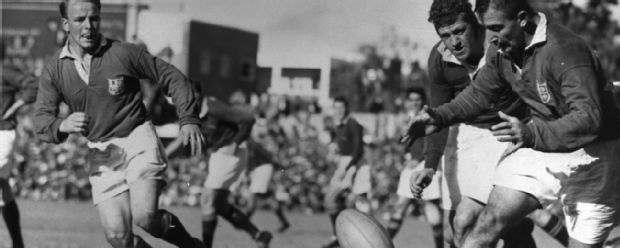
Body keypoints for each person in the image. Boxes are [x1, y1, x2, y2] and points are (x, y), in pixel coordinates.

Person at [407, 0, 620, 247]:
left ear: (521, 19)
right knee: (480, 229)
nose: (490, 37)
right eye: (487, 28)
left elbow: (588, 118)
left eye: (496, 27)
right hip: (540, 149)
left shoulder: (565, 49)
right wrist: (440, 116)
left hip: (593, 156)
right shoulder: (501, 49)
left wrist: (531, 134)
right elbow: (479, 94)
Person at [33, 0, 205, 247]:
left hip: (137, 137)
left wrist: (188, 118)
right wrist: (62, 125)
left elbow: (171, 75)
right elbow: (41, 118)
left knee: (146, 216)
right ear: (65, 24)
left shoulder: (123, 53)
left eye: (94, 18)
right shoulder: (54, 69)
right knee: (118, 237)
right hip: (101, 150)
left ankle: (191, 245)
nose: (88, 26)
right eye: (79, 20)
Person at [196, 96, 273, 248]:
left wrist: (235, 143)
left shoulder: (212, 106)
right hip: (220, 155)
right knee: (218, 205)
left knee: (207, 200)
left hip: (229, 153)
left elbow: (248, 119)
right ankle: (258, 234)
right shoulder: (195, 111)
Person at [387, 88, 444, 248]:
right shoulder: (407, 118)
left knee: (430, 206)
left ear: (423, 101)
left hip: (426, 165)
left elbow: (431, 140)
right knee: (400, 206)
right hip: (412, 166)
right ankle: (381, 243)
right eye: (411, 99)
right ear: (406, 102)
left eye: (417, 99)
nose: (414, 102)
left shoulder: (427, 117)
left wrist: (416, 158)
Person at [321, 96, 372, 248]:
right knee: (335, 202)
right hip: (345, 163)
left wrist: (348, 167)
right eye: (336, 108)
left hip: (354, 164)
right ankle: (339, 235)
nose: (338, 111)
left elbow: (358, 149)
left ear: (346, 109)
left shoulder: (353, 124)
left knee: (334, 200)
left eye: (341, 108)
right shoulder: (337, 125)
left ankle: (344, 236)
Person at [1, 63, 37, 248]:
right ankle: (18, 242)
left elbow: (33, 85)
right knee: (3, 187)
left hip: (3, 133)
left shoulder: (5, 71)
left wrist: (14, 107)